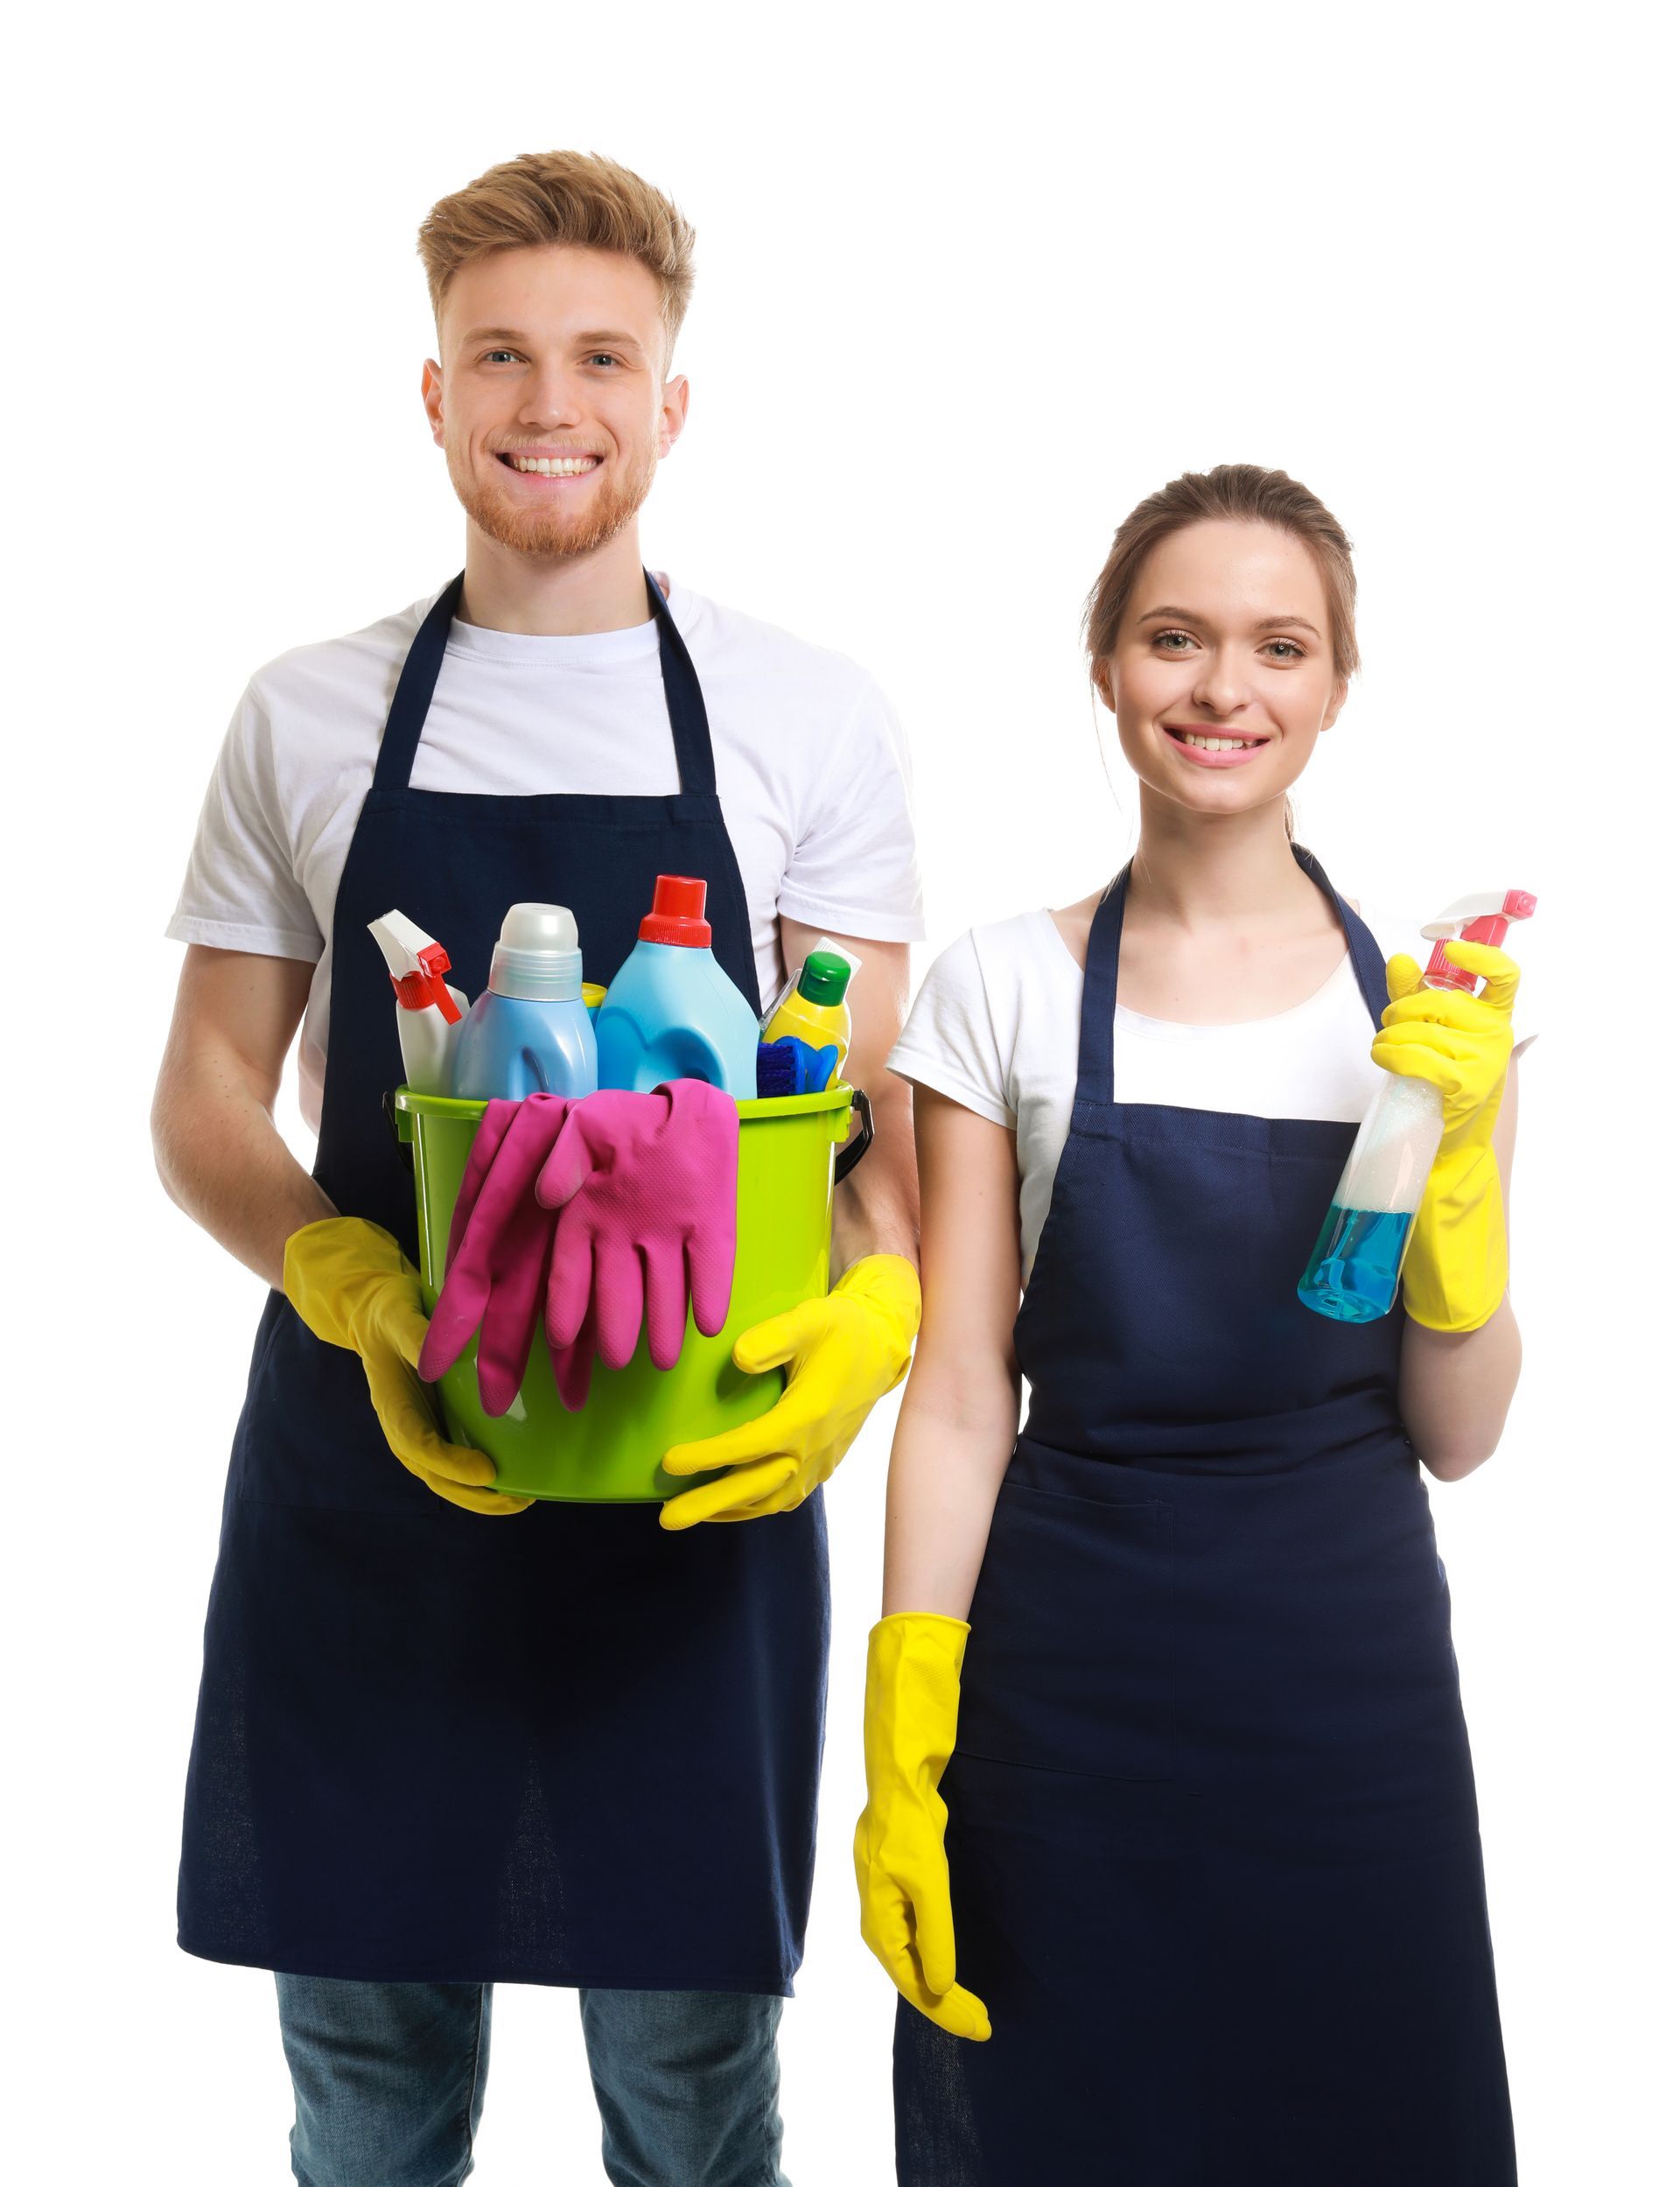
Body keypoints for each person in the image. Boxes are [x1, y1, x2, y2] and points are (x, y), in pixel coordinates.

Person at [151, 151, 924, 2187]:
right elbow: (206, 1101)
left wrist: (877, 1319)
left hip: (690, 1492)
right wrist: (355, 1288)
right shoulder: (306, 714)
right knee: (373, 2106)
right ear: (434, 395)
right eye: (500, 353)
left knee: (692, 2105)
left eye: (602, 355)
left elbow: (874, 1126)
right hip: (376, 1489)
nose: (548, 399)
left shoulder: (806, 715)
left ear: (674, 405)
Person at [854, 466, 1527, 2183]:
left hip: (1345, 1682)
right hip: (1065, 1687)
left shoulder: (1434, 1012)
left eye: (1279, 645)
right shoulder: (1003, 985)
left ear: (1334, 684)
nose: (1227, 687)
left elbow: (1458, 1427)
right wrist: (908, 1690)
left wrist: (1457, 1212)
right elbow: (956, 1397)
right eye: (1179, 636)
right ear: (1107, 664)